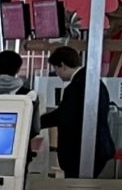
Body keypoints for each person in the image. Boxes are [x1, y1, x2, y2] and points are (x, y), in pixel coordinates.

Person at [44, 46, 114, 180]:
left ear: (63, 65)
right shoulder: (94, 82)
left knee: (76, 189)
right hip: (98, 147)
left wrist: (34, 122)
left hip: (81, 151)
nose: (56, 73)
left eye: (56, 69)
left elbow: (64, 116)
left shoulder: (77, 86)